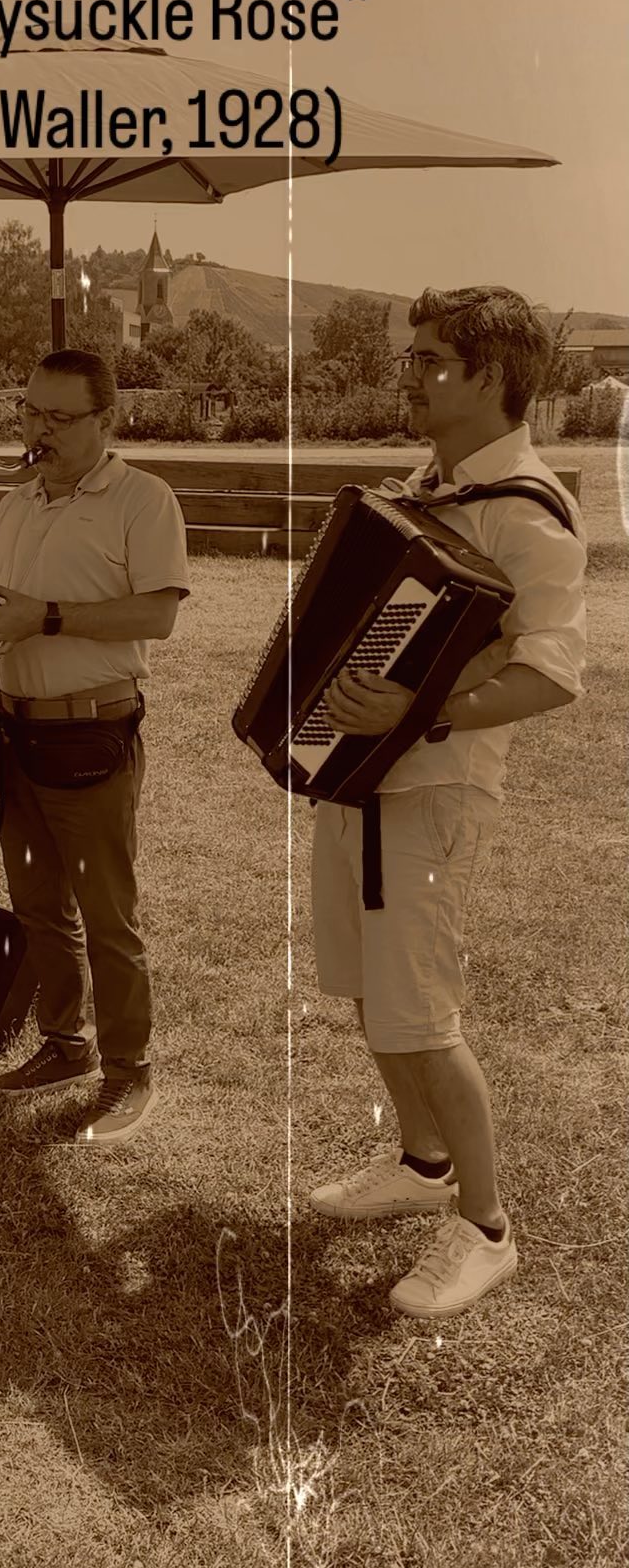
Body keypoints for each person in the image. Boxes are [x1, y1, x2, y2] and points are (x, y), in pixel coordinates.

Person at [308, 285, 586, 1318]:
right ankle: (421, 1162)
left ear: (492, 376)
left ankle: (484, 1227)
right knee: (372, 994)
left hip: (431, 792)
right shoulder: (431, 486)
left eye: (429, 361)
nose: (409, 378)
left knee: (423, 1016)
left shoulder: (530, 511)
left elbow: (554, 674)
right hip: (359, 784)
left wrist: (416, 714)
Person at [0, 349, 189, 1149]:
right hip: (14, 726)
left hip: (93, 729)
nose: (40, 429)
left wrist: (46, 619)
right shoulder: (15, 501)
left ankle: (129, 1075)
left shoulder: (145, 499)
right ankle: (65, 1047)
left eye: (61, 417)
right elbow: (0, 611)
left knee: (107, 918)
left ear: (108, 421)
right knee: (38, 908)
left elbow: (158, 616)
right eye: (30, 411)